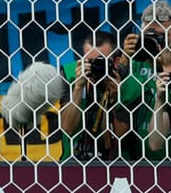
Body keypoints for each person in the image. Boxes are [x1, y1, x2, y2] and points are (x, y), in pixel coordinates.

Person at [58, 30, 140, 162]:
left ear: (116, 61)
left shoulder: (131, 85)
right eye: (90, 61)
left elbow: (111, 142)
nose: (96, 66)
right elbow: (67, 128)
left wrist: (111, 101)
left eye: (101, 61)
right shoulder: (69, 74)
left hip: (115, 165)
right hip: (72, 163)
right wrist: (78, 88)